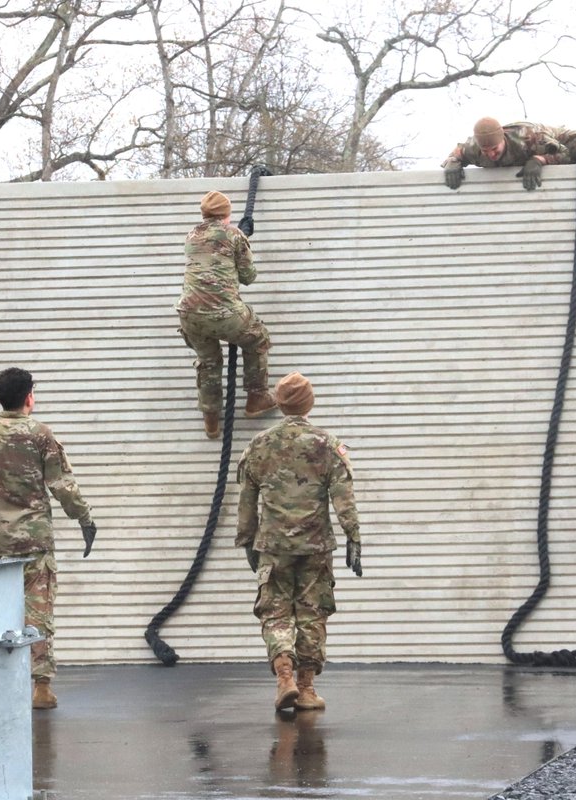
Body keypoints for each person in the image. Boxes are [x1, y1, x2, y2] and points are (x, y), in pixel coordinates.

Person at [0, 367, 97, 711]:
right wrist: (85, 519)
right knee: (38, 613)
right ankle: (41, 687)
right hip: (34, 544)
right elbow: (63, 487)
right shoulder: (40, 434)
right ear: (29, 396)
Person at [236, 372, 362, 711]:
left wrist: (247, 540)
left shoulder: (259, 445)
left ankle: (284, 678)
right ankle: (306, 689)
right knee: (312, 614)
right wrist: (353, 537)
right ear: (310, 402)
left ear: (278, 402)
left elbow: (246, 500)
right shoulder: (327, 443)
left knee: (275, 613)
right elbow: (343, 497)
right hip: (315, 546)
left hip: (273, 547)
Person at [176, 190, 277, 439]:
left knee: (208, 361)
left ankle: (211, 419)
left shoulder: (192, 236)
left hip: (189, 314)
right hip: (224, 314)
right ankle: (256, 398)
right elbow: (248, 277)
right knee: (258, 339)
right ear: (227, 214)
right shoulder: (234, 235)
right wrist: (242, 238)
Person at [442, 116, 576, 191]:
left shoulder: (528, 138)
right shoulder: (474, 149)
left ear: (503, 139)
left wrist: (540, 160)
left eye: (495, 149)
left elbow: (567, 155)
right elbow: (458, 151)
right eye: (486, 152)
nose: (491, 155)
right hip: (542, 149)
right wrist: (452, 162)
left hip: (562, 142)